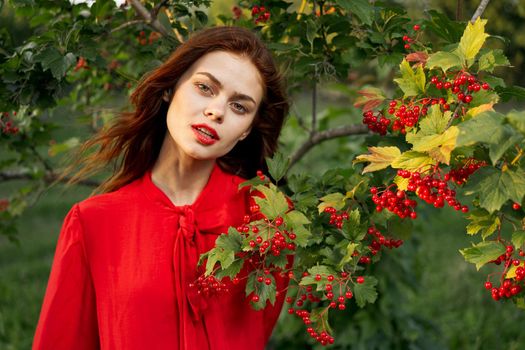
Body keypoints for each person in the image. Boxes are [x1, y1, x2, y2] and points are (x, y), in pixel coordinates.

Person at [33, 26, 290, 350]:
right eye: (205, 88)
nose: (217, 111)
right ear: (171, 88)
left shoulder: (269, 219)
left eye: (240, 106)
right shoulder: (92, 223)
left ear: (246, 131)